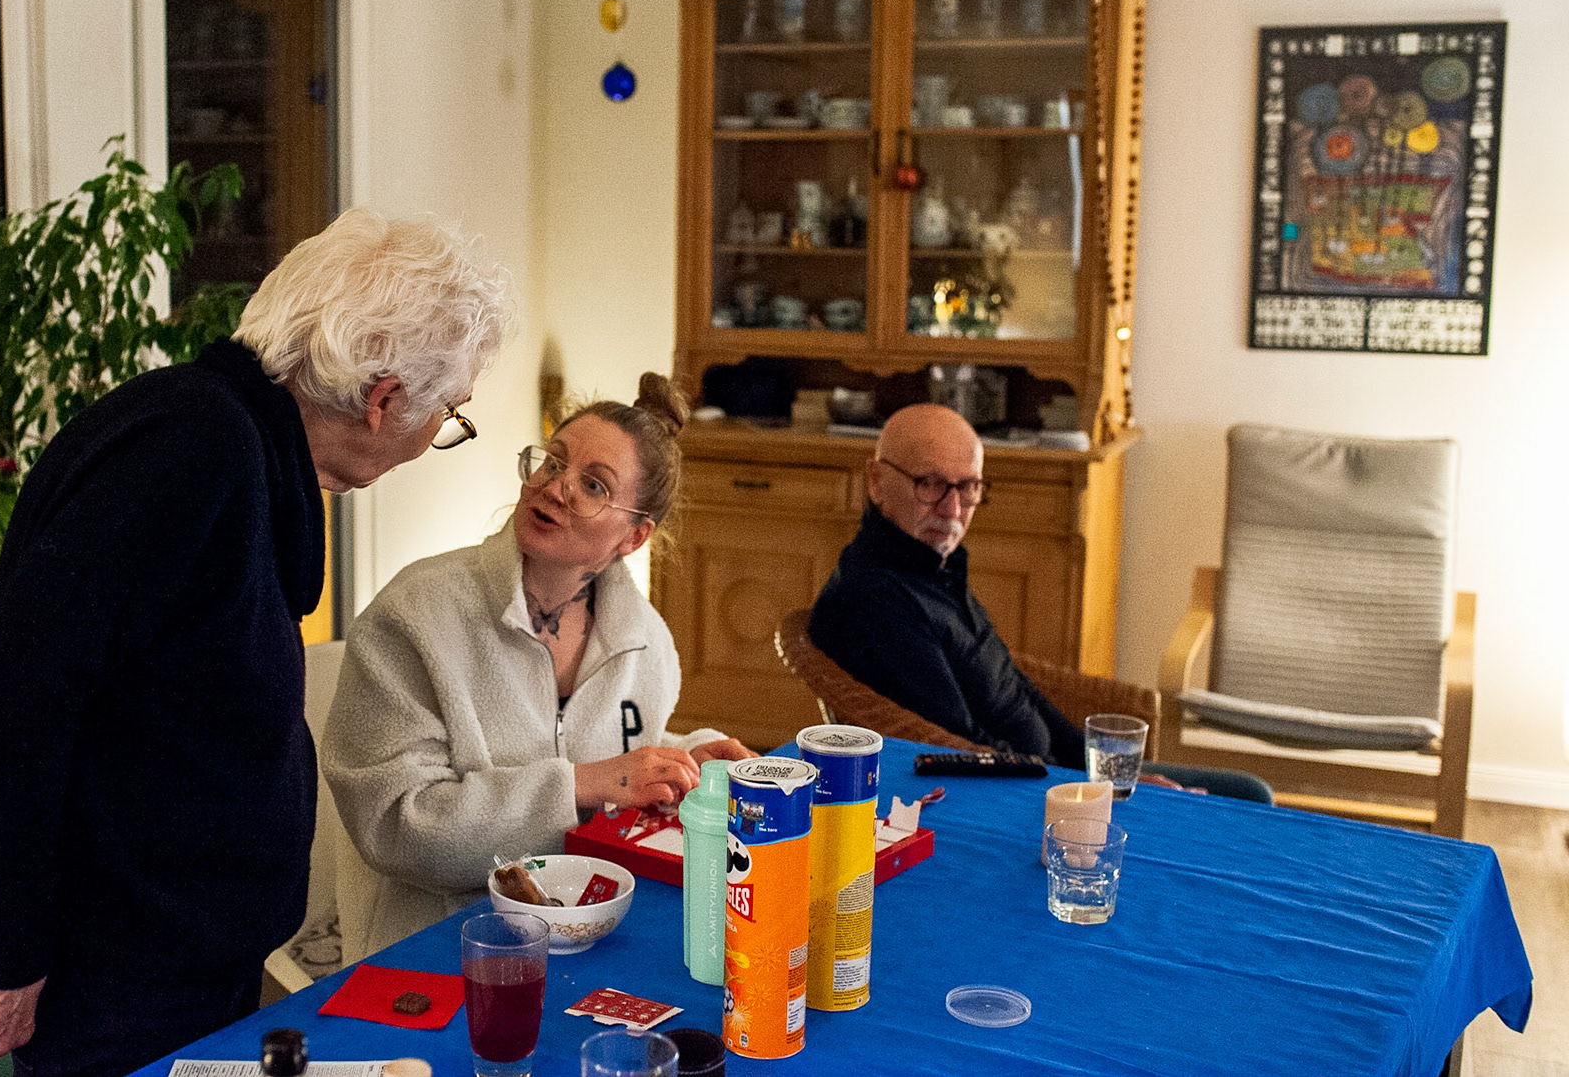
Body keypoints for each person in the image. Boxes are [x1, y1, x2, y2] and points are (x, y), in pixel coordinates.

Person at [0, 210, 512, 1077]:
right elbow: (14, 702)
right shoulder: (192, 448)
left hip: (186, 964)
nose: (436, 433)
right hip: (124, 979)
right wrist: (9, 955)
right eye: (448, 413)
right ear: (383, 400)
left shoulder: (238, 449)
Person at [322, 373, 754, 959]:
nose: (555, 487)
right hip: (432, 954)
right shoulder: (413, 616)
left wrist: (681, 760)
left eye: (593, 485)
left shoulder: (648, 645)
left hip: (587, 943)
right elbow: (397, 824)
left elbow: (613, 751)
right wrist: (582, 786)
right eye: (553, 463)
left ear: (634, 536)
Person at [809, 404, 1271, 801]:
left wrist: (1096, 768)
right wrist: (1085, 787)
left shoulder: (933, 565)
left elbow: (1014, 687)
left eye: (969, 487)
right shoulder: (874, 599)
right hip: (1027, 798)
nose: (952, 511)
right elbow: (961, 747)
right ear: (876, 481)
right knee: (1246, 796)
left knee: (1249, 792)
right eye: (930, 484)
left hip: (1057, 777)